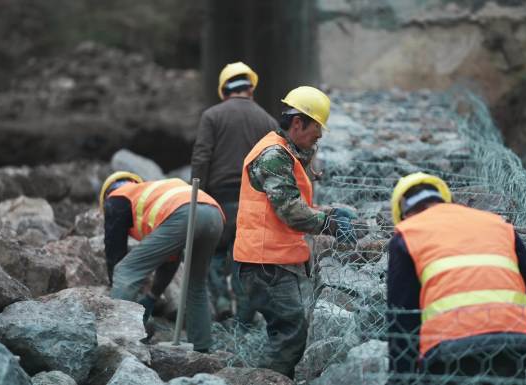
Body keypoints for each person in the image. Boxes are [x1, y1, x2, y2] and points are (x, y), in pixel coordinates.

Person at [233, 86, 358, 378]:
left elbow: (293, 204)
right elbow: (289, 210)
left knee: (284, 331)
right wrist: (329, 224)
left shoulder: (284, 151)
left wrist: (326, 214)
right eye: (317, 128)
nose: (320, 136)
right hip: (264, 263)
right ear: (298, 123)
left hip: (266, 261)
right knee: (291, 334)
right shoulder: (274, 156)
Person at [387, 172, 526, 384]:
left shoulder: (407, 234)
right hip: (511, 344)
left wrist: (402, 378)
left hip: (449, 352)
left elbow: (403, 317)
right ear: (445, 200)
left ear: (403, 214)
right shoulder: (498, 225)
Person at [191, 61, 278, 322]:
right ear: (250, 89)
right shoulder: (268, 120)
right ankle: (244, 316)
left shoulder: (212, 116)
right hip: (253, 202)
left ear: (224, 90)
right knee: (244, 259)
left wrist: (197, 195)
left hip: (219, 200)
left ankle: (220, 301)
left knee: (213, 253)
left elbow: (201, 157)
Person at [100, 171, 224, 352]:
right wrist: (152, 297)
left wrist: (118, 293)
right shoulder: (152, 196)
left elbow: (115, 254)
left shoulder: (117, 198)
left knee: (125, 271)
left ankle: (117, 345)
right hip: (214, 214)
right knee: (196, 284)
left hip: (184, 212)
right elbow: (170, 260)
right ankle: (202, 349)